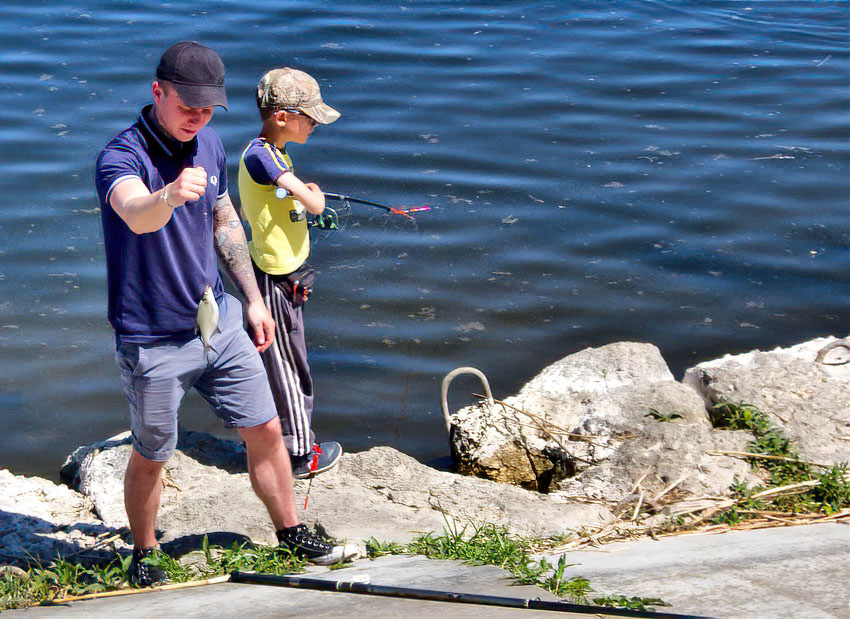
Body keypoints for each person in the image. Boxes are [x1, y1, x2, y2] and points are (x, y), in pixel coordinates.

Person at [94, 42, 355, 587]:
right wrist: (165, 195)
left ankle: (291, 530)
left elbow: (224, 219)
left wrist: (254, 299)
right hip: (152, 337)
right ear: (157, 92)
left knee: (265, 427)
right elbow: (135, 215)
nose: (198, 117)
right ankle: (145, 552)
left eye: (209, 108)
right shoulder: (122, 155)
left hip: (222, 317)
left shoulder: (209, 143)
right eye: (188, 105)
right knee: (152, 453)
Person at [238, 67, 342, 479]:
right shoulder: (261, 155)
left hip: (289, 275)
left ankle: (276, 441)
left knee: (290, 360)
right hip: (273, 278)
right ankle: (299, 455)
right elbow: (314, 204)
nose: (315, 124)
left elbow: (254, 207)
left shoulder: (276, 155)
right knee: (286, 366)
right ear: (281, 116)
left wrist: (296, 196)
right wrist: (311, 196)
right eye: (309, 116)